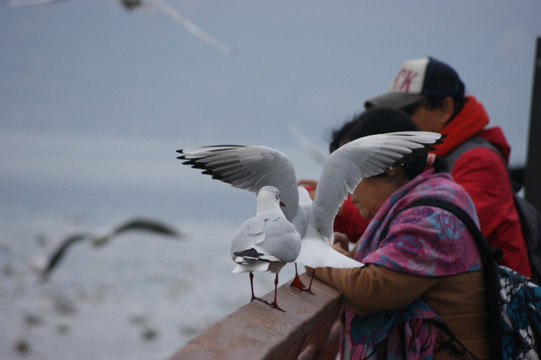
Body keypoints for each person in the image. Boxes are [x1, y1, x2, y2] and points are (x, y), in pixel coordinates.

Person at [312, 107, 490, 359]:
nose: (346, 188)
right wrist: (343, 254)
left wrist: (316, 252)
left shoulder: (432, 217)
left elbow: (370, 290)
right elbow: (388, 275)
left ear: (390, 165)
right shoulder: (432, 197)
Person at [364, 56, 532, 278]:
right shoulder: (432, 157)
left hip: (493, 308)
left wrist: (335, 207)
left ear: (445, 108)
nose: (396, 123)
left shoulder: (480, 162)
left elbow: (431, 225)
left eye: (406, 111)